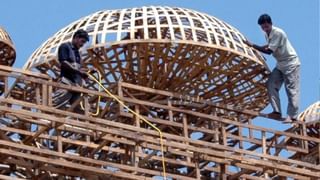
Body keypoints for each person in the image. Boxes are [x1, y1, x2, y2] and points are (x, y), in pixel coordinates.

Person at [244, 14, 300, 123]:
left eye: (266, 26)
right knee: (271, 84)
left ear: (270, 24)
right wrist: (259, 45)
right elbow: (270, 45)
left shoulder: (278, 32)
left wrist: (253, 45)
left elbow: (269, 51)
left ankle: (292, 116)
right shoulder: (267, 34)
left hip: (291, 63)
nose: (264, 29)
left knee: (291, 90)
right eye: (263, 27)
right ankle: (277, 112)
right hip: (280, 64)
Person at [53, 29, 90, 108]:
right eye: (82, 41)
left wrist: (88, 72)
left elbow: (77, 68)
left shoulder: (78, 53)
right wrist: (79, 72)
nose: (82, 44)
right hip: (66, 82)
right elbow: (64, 63)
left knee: (81, 108)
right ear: (76, 37)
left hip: (77, 85)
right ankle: (46, 118)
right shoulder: (65, 47)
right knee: (56, 104)